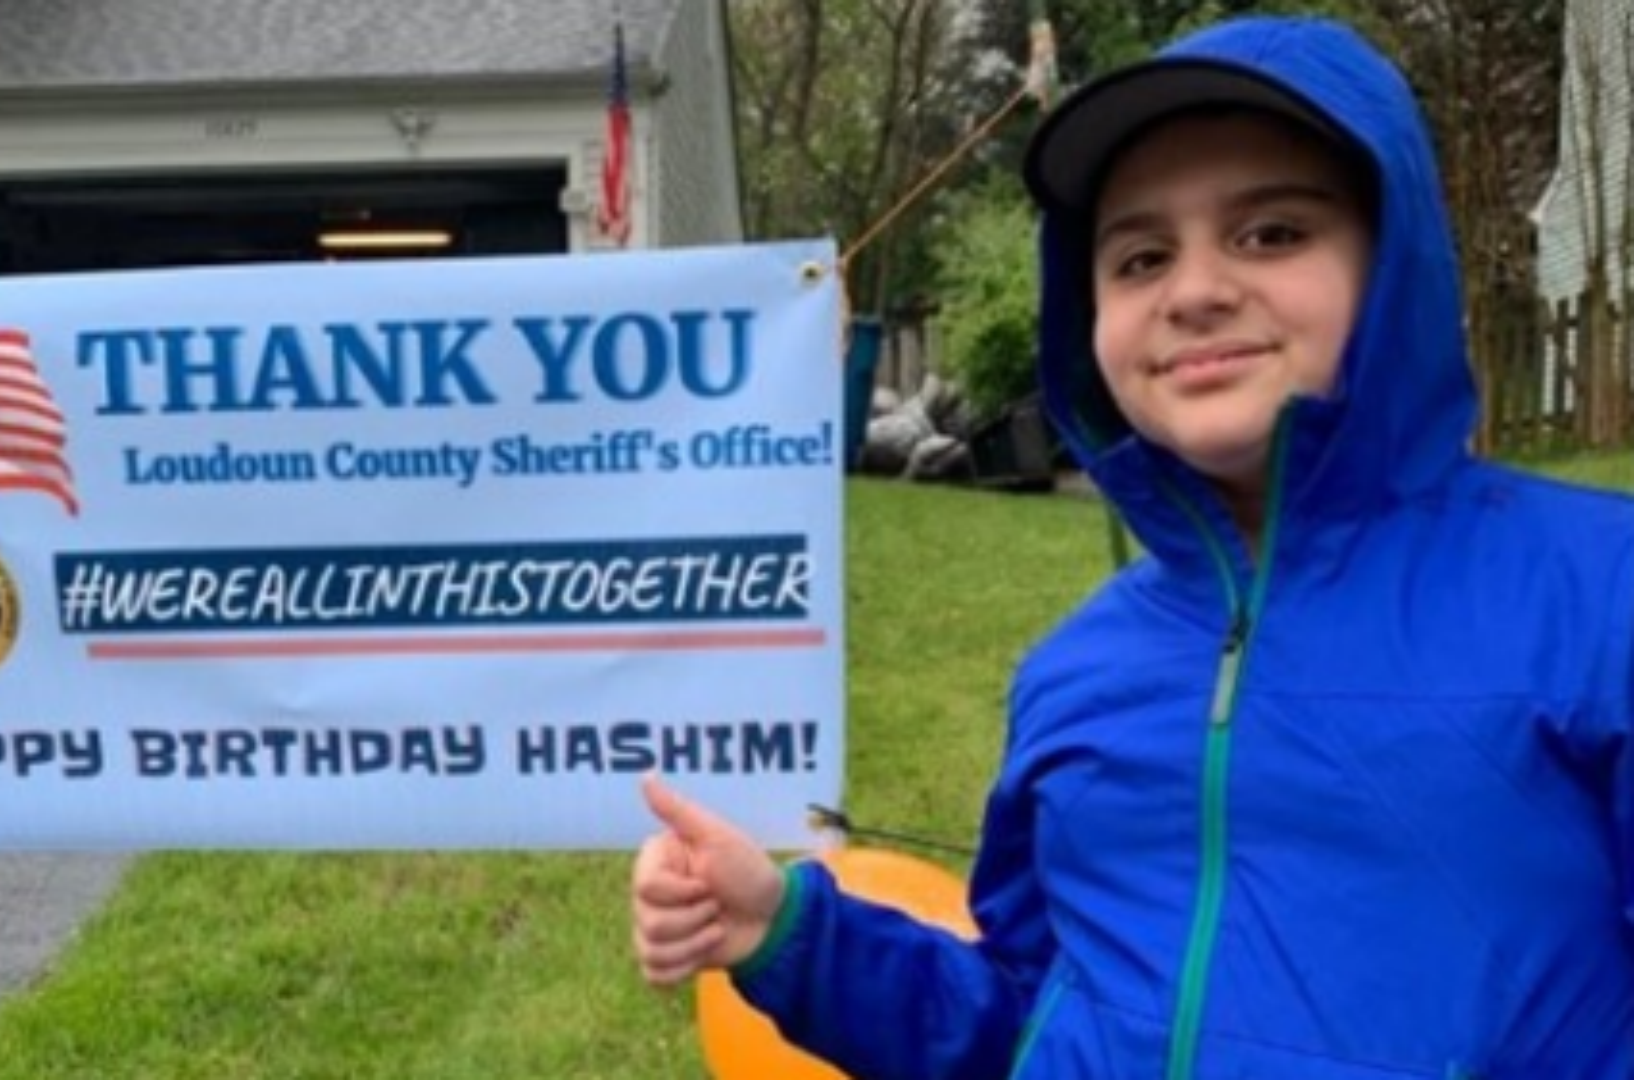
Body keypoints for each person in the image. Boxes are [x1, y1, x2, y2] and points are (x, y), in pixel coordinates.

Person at [630, 14, 1634, 1079]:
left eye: (1271, 233)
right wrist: (792, 935)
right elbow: (1028, 1021)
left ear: (1394, 262)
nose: (1195, 291)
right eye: (1141, 255)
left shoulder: (1596, 594)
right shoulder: (1074, 673)